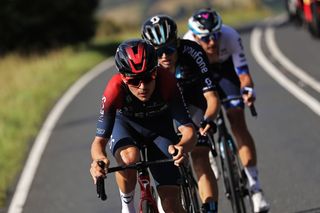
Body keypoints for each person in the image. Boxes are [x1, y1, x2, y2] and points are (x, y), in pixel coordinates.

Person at [89, 39, 197, 213]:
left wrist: (182, 147)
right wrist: (98, 160)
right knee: (129, 157)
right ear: (123, 78)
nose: (142, 86)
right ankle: (127, 206)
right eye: (134, 81)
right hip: (126, 125)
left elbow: (188, 130)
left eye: (148, 78)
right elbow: (99, 141)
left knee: (171, 205)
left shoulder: (167, 81)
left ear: (155, 71)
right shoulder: (114, 89)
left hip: (159, 128)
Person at [184, 8, 270, 213]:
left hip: (225, 73)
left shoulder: (230, 35)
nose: (212, 42)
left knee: (238, 121)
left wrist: (248, 90)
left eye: (215, 36)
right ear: (195, 36)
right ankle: (211, 154)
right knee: (201, 119)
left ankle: (256, 188)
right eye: (205, 38)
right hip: (199, 79)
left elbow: (243, 73)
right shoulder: (187, 45)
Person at [141, 15, 220, 213]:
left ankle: (210, 208)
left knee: (200, 153)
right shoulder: (144, 63)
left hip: (193, 100)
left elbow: (211, 97)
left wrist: (207, 120)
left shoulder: (193, 52)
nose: (164, 57)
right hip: (166, 107)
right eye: (158, 52)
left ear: (177, 44)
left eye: (168, 49)